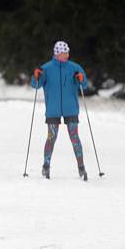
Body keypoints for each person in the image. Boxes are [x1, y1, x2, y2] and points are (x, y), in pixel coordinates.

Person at [30, 40, 89, 180]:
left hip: (71, 108)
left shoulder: (75, 67)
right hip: (53, 109)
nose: (67, 54)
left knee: (74, 138)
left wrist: (81, 79)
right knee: (51, 138)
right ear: (58, 54)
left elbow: (84, 84)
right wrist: (36, 76)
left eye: (67, 52)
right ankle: (46, 166)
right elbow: (35, 85)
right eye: (65, 52)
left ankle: (81, 167)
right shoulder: (46, 68)